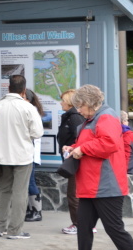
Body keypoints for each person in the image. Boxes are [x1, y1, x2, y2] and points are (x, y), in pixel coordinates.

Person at [63, 84, 133, 250]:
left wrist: (82, 149)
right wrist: (74, 147)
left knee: (114, 229)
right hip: (93, 186)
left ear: (89, 102)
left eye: (80, 106)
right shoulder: (95, 118)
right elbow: (94, 141)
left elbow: (108, 143)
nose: (78, 111)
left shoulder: (106, 117)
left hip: (106, 186)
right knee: (83, 228)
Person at [0, 74, 43, 240]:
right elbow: (37, 132)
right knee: (20, 192)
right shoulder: (28, 108)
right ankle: (15, 230)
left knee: (4, 190)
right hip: (22, 155)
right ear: (24, 91)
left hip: (1, 156)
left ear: (8, 88)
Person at [57, 88, 85, 235]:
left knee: (73, 194)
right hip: (72, 159)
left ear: (68, 102)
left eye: (62, 100)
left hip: (75, 161)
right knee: (75, 194)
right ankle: (84, 224)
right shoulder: (69, 116)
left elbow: (80, 138)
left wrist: (72, 150)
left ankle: (79, 225)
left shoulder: (74, 117)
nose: (60, 103)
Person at [23, 89, 45, 223]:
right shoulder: (31, 110)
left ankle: (37, 211)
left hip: (30, 154)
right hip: (29, 153)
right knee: (27, 182)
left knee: (30, 182)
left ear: (29, 99)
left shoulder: (31, 111)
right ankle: (32, 209)